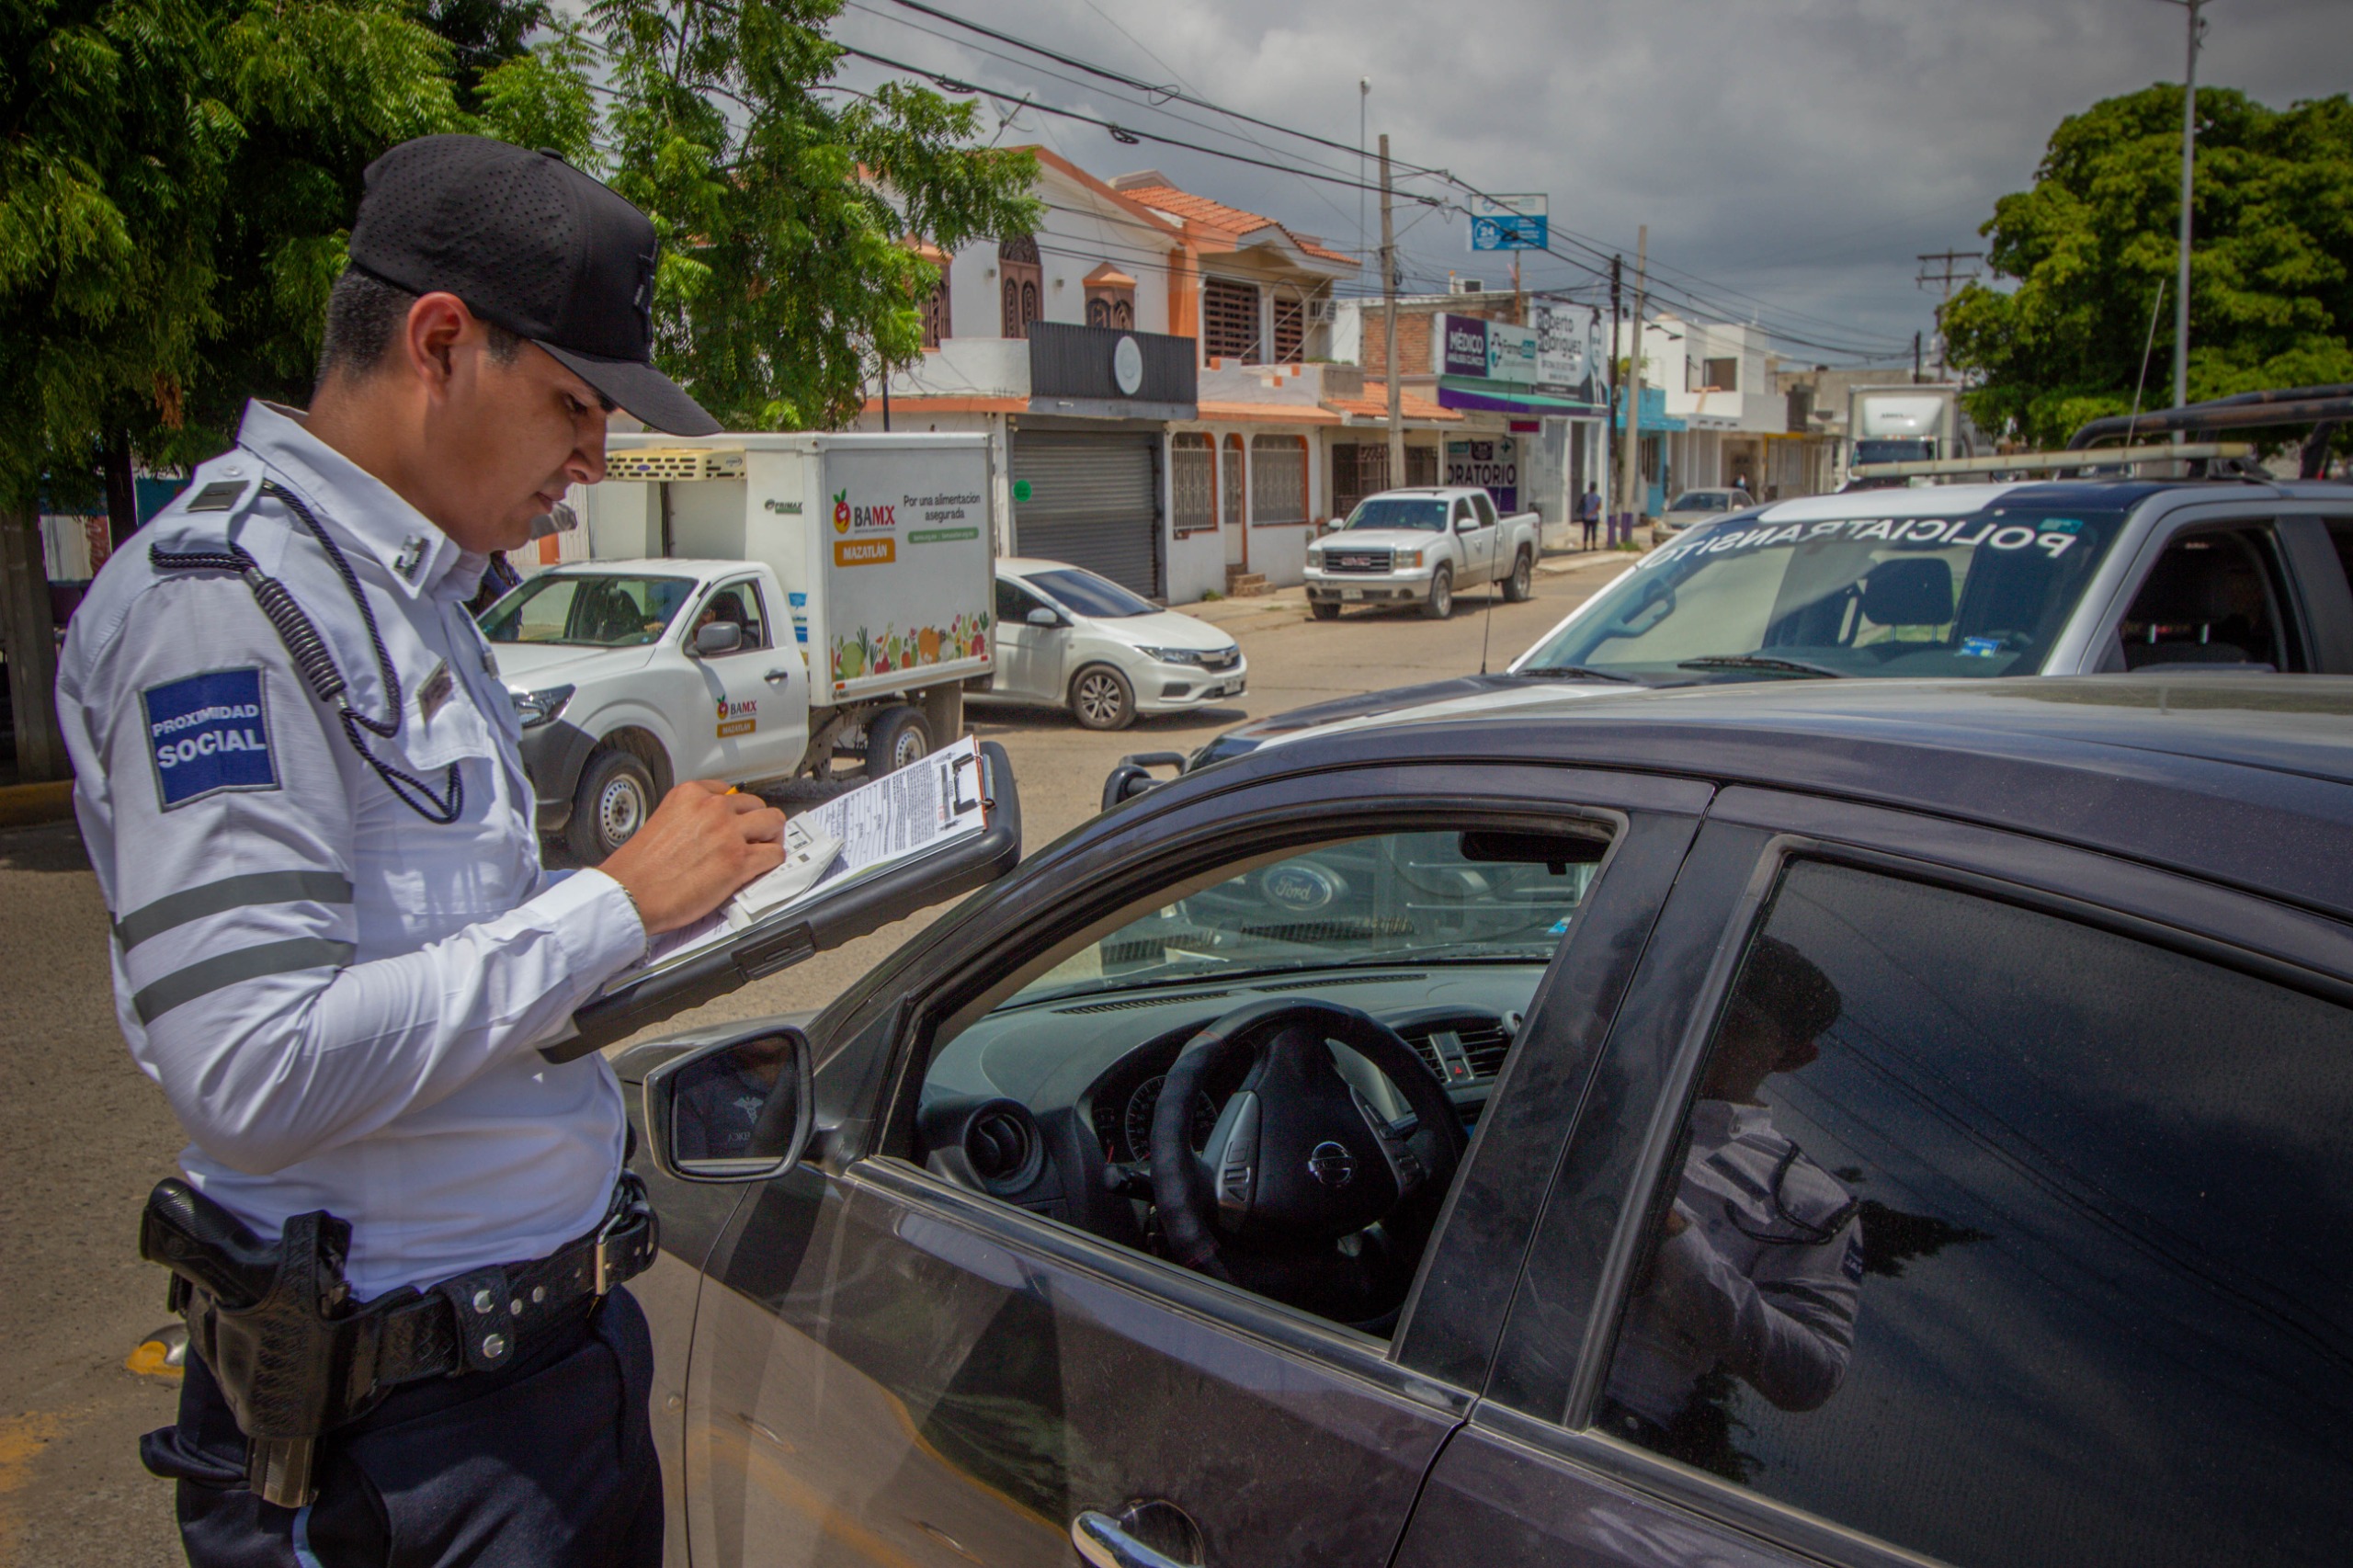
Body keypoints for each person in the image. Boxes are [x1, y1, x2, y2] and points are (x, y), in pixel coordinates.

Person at [56, 135, 787, 1567]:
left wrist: (682, 921)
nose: (593, 458)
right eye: (575, 406)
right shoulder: (229, 604)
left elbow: (451, 956)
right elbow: (253, 1063)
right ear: (440, 342)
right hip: (399, 1445)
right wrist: (607, 910)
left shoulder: (418, 588)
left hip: (545, 1377)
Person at [1599, 936, 1863, 1473]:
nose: (1701, 1029)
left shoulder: (1807, 1201)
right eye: (1693, 1004)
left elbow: (1811, 1375)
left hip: (1609, 1423)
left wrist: (1672, 1238)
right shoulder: (1595, 1096)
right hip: (1468, 1354)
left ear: (1793, 1057)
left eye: (1736, 1021)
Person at [1578, 483, 1602, 550]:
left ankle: (1585, 546)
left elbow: (1581, 505)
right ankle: (1593, 546)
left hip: (1585, 516)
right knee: (1594, 532)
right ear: (1595, 488)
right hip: (1594, 517)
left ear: (1589, 488)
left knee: (1586, 531)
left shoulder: (1585, 496)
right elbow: (1599, 507)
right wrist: (1592, 513)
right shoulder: (1598, 497)